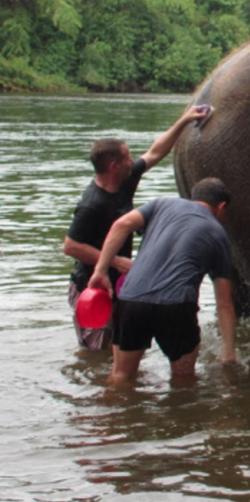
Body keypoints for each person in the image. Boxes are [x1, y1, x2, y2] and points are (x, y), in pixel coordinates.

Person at [64, 105, 211, 349]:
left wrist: (184, 120)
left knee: (121, 346)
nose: (133, 161)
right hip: (91, 287)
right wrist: (113, 261)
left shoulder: (124, 180)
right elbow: (70, 246)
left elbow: (155, 152)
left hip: (121, 282)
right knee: (96, 353)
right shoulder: (92, 205)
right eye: (128, 157)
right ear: (113, 166)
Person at [87, 177, 236, 383]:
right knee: (184, 380)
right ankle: (180, 413)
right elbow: (225, 304)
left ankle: (111, 412)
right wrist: (228, 351)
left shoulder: (161, 204)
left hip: (132, 300)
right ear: (221, 207)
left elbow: (122, 224)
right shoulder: (219, 235)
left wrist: (101, 270)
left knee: (121, 375)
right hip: (176, 307)